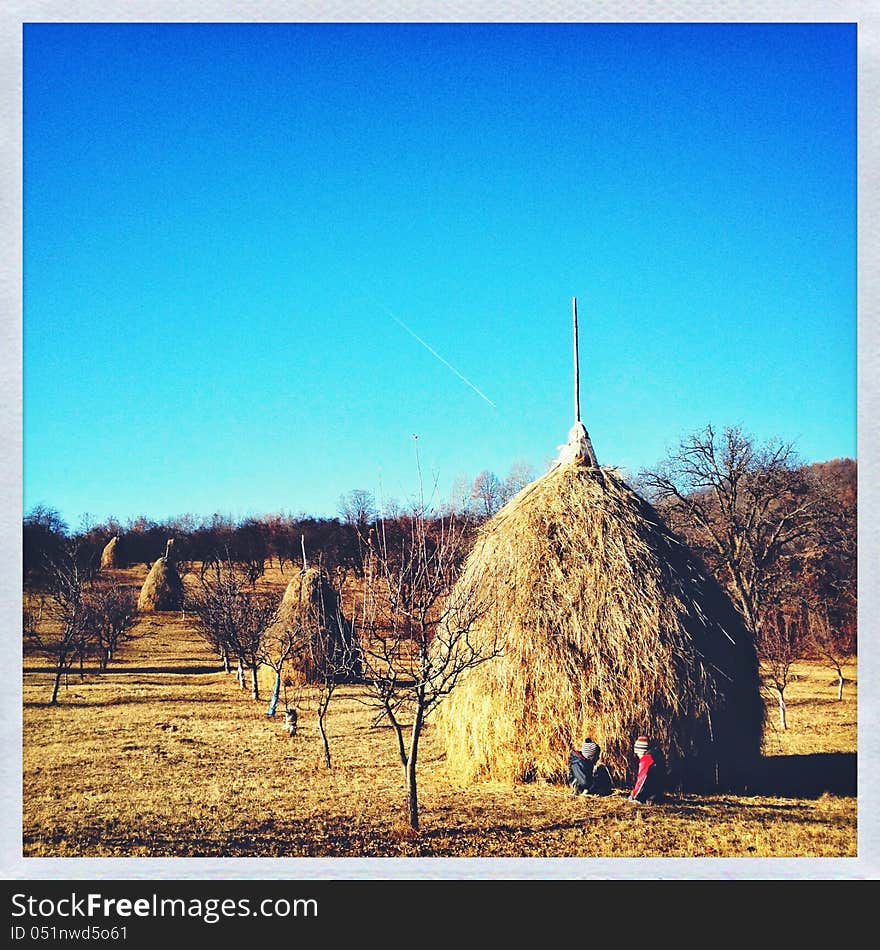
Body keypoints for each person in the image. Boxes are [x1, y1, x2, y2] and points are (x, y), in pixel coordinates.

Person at [628, 735, 665, 804]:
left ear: (642, 751)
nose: (638, 756)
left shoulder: (646, 759)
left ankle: (641, 798)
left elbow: (641, 779)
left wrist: (634, 795)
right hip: (657, 791)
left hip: (647, 791)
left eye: (637, 753)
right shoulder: (656, 756)